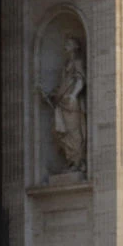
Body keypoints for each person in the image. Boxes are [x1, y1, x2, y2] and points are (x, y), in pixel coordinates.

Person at [39, 36, 87, 172]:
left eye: (68, 43)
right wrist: (50, 95)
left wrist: (74, 94)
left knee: (73, 132)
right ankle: (71, 161)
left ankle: (78, 161)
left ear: (74, 47)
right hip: (62, 102)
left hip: (71, 102)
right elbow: (62, 85)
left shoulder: (77, 62)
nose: (65, 45)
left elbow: (80, 79)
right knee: (62, 132)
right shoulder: (66, 64)